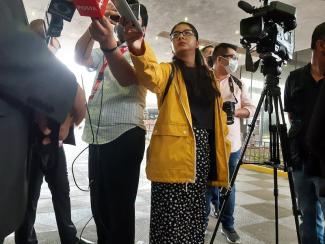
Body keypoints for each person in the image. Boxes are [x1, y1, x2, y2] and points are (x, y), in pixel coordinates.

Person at [110, 19, 231, 243]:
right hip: (173, 155)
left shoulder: (211, 80)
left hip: (202, 155)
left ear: (196, 42)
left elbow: (219, 122)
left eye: (186, 33)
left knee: (195, 219)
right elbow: (149, 73)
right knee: (169, 224)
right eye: (175, 35)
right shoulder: (168, 71)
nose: (180, 36)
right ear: (172, 46)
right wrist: (138, 45)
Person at [0, 0, 86, 240]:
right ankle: (26, 238)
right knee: (29, 196)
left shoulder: (49, 64)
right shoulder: (39, 66)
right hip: (29, 142)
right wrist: (67, 88)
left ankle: (68, 236)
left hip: (52, 142)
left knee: (61, 192)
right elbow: (6, 36)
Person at [74, 1, 148, 243]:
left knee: (119, 210)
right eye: (117, 19)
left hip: (125, 135)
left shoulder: (142, 51)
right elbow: (80, 57)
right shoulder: (107, 50)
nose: (120, 25)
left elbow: (127, 79)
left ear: (141, 25)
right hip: (98, 135)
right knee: (100, 206)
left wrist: (109, 46)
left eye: (125, 19)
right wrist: (95, 21)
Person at [209, 43, 256, 243]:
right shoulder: (203, 79)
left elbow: (251, 108)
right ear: (219, 59)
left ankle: (228, 225)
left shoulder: (237, 83)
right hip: (208, 143)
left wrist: (235, 112)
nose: (235, 61)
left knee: (228, 187)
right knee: (207, 186)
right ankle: (202, 223)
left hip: (232, 145)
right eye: (232, 57)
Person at [284, 22, 325, 244]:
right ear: (321, 45)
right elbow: (292, 117)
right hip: (300, 160)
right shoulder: (294, 78)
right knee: (307, 217)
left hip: (324, 162)